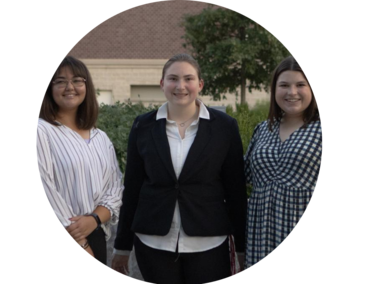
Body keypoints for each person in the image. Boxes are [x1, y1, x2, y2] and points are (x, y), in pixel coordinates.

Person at [111, 54, 247, 283]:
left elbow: (235, 191)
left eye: (188, 79)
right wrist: (122, 247)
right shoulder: (142, 125)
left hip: (208, 242)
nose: (180, 86)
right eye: (173, 78)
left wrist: (242, 249)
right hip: (153, 242)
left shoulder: (225, 127)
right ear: (162, 84)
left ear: (200, 84)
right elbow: (132, 187)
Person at [35, 55, 124, 266]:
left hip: (95, 233)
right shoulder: (41, 130)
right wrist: (80, 242)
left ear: (86, 86)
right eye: (60, 81)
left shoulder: (100, 137)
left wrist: (93, 220)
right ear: (49, 88)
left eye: (77, 80)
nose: (70, 87)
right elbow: (45, 187)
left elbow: (115, 188)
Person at [244, 56, 324, 269]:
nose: (292, 92)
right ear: (274, 90)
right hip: (260, 233)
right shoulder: (263, 130)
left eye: (300, 85)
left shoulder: (320, 130)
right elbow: (242, 176)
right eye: (284, 85)